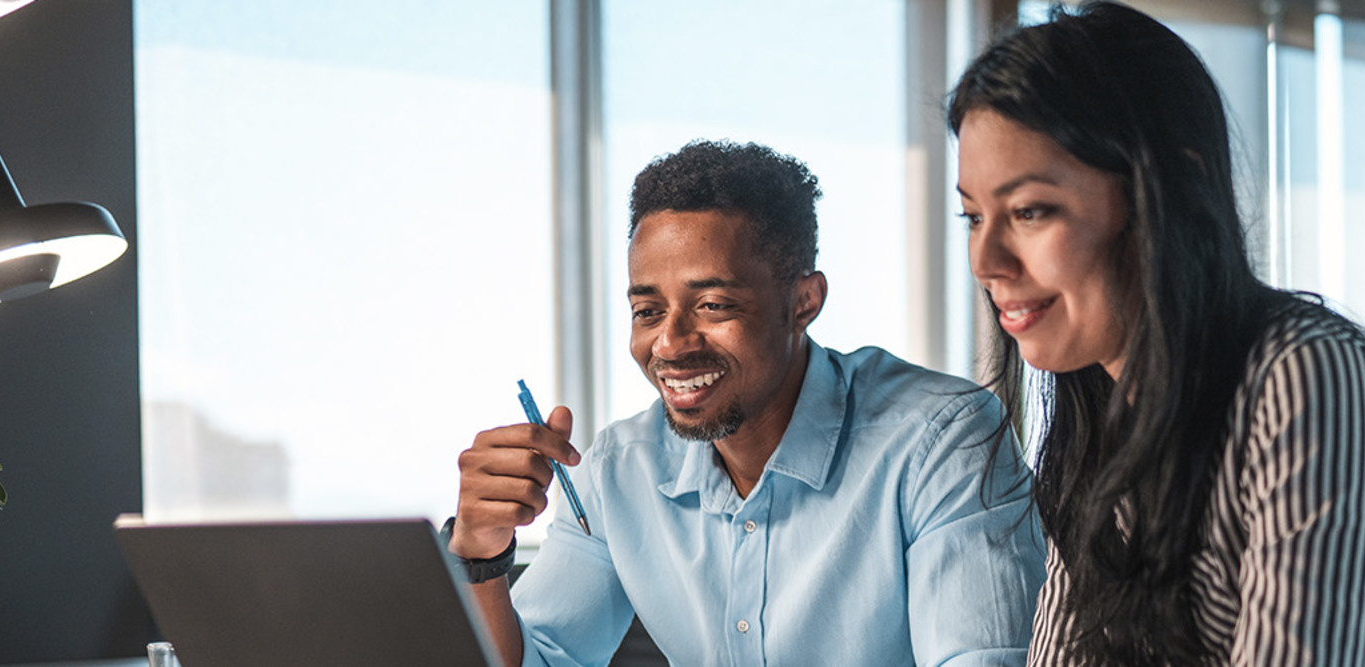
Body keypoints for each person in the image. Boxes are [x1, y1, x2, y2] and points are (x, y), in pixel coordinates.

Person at [948, 4, 1365, 665]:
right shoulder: (1098, 413)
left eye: (1031, 211)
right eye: (973, 217)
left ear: (1166, 190)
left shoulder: (1309, 380)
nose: (987, 263)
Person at [447, 140, 1045, 666]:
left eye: (713, 305)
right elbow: (545, 658)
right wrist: (482, 554)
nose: (671, 344)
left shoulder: (942, 439)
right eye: (647, 311)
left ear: (804, 302)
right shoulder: (618, 470)